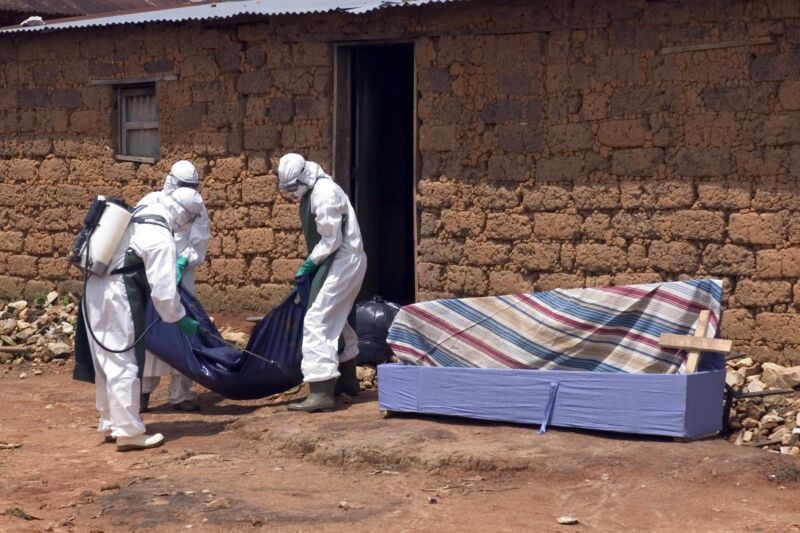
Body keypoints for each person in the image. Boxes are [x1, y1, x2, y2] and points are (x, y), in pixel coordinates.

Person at [78, 187, 203, 451]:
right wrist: (179, 319)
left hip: (94, 287)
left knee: (105, 358)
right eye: (190, 218)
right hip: (120, 293)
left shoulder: (145, 208)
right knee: (126, 361)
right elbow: (164, 293)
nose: (188, 223)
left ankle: (111, 422)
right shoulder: (160, 237)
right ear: (183, 213)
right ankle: (129, 432)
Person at [276, 153, 367, 412]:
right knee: (339, 317)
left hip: (343, 259)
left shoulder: (324, 193)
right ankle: (347, 380)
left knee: (317, 320)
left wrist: (309, 263)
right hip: (343, 260)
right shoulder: (316, 189)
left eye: (294, 187)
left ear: (303, 177)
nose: (293, 192)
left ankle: (320, 391)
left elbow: (331, 240)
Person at [138, 161, 210, 413]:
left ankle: (181, 394)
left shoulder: (195, 207)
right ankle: (142, 392)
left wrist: (183, 261)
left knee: (182, 335)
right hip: (151, 275)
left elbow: (199, 243)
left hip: (182, 279)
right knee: (149, 333)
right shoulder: (150, 201)